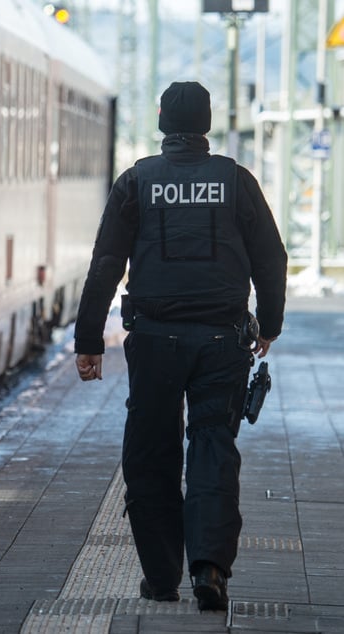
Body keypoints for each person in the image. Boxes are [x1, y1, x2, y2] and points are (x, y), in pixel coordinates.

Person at [73, 81, 287, 611]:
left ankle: (162, 577)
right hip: (222, 341)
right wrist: (270, 326)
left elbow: (105, 266)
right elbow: (272, 259)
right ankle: (210, 569)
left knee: (151, 453)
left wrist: (89, 340)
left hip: (153, 339)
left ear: (163, 120)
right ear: (208, 122)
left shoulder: (136, 181)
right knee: (214, 446)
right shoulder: (236, 182)